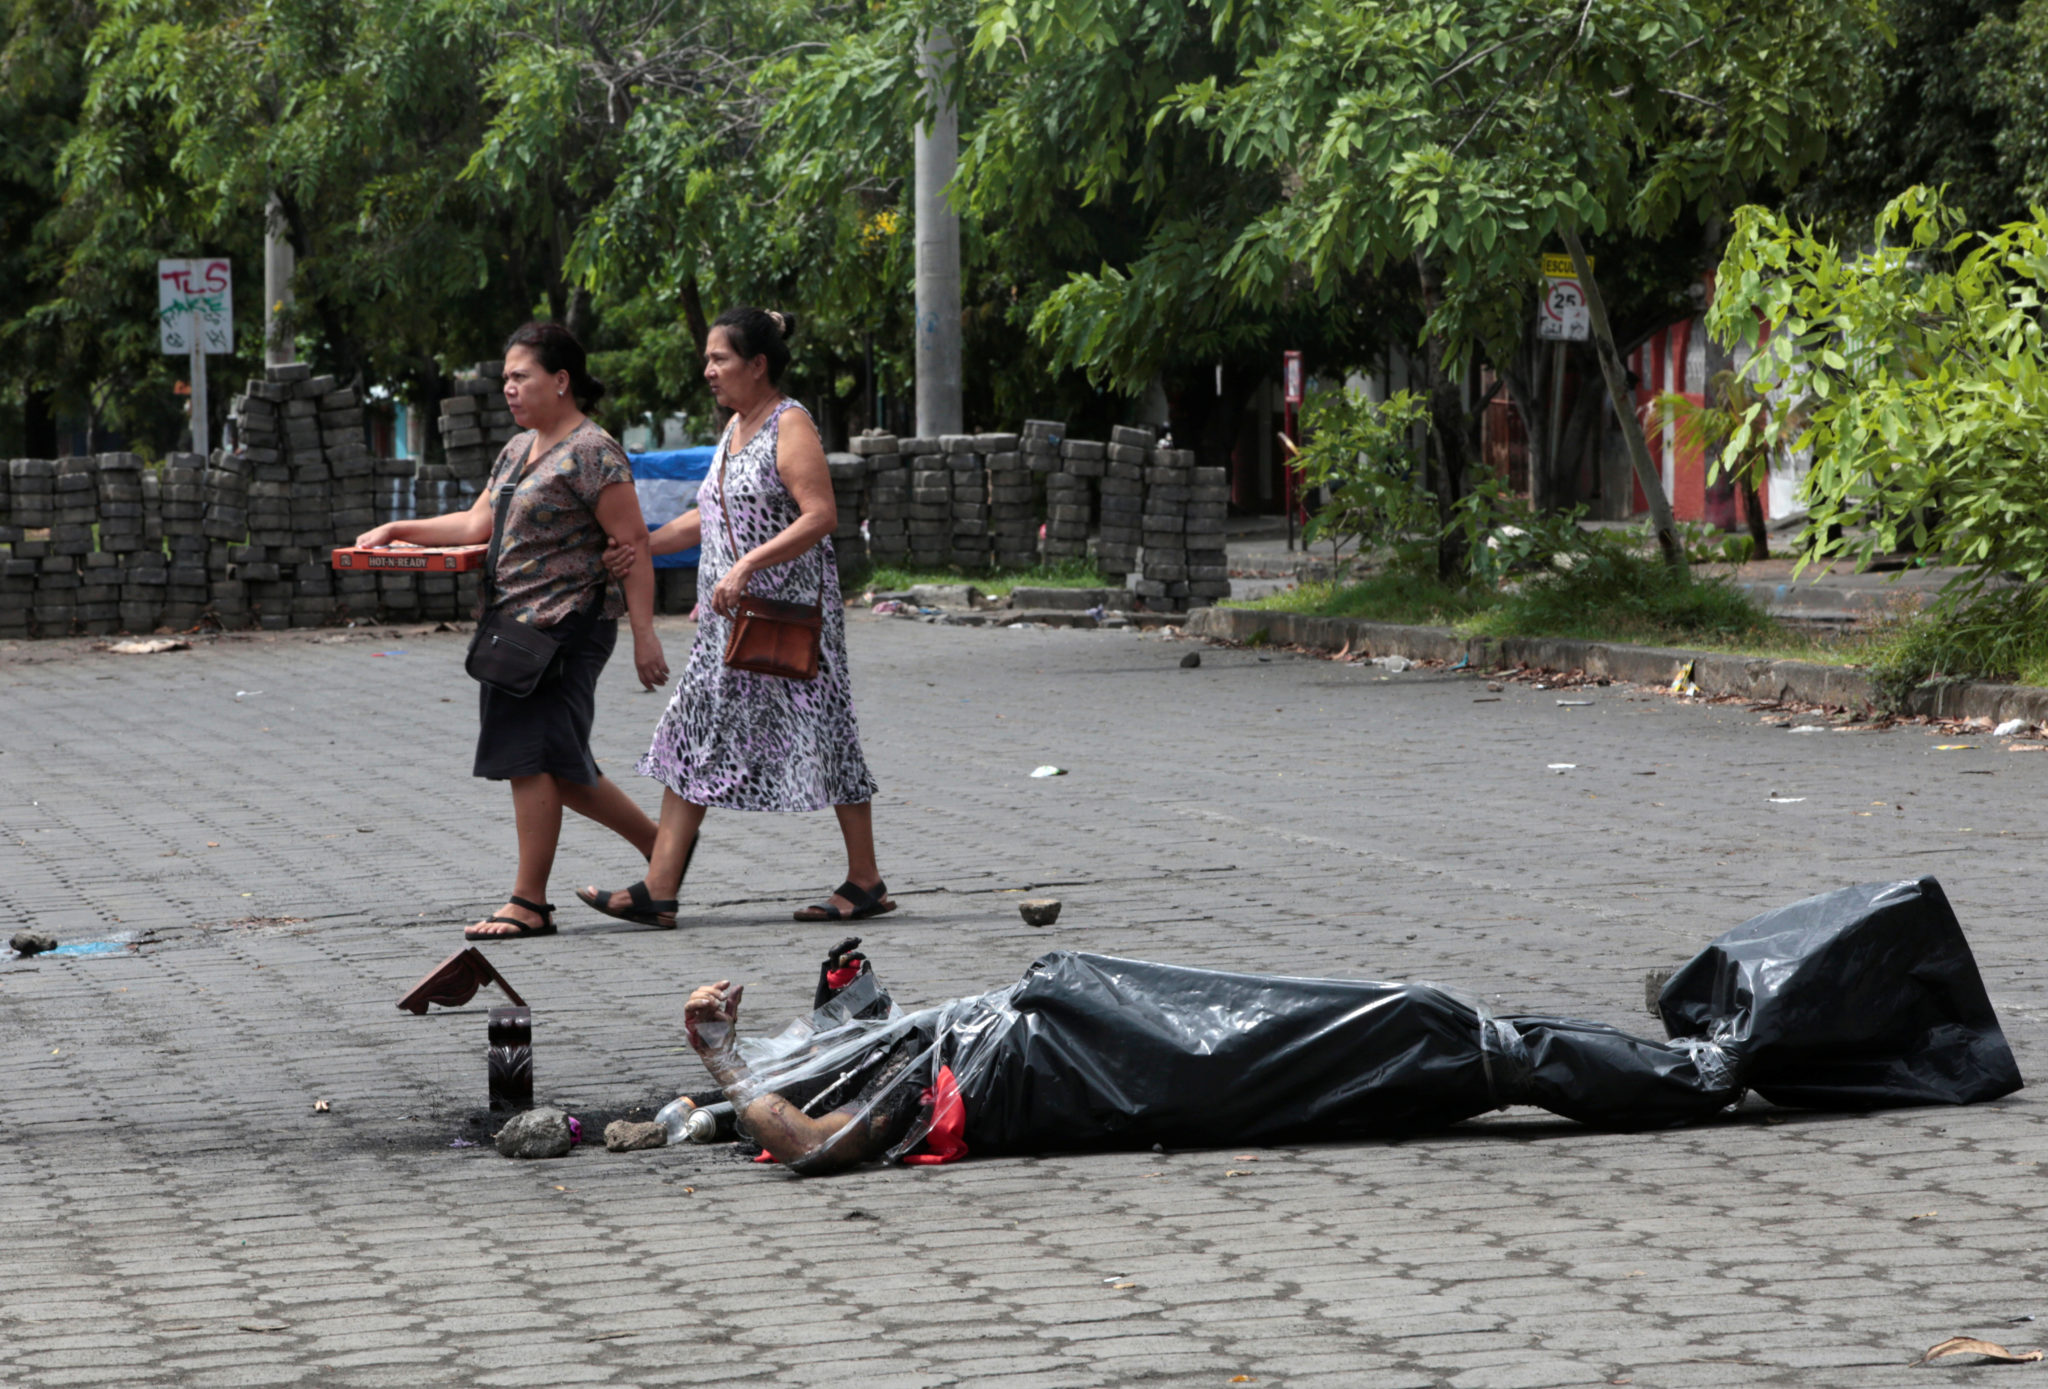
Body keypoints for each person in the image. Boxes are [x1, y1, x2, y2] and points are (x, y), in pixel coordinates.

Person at [672, 876, 2022, 1176]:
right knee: (1461, 1044)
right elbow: (809, 1145)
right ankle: (1731, 1063)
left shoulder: (912, 1060)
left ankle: (1726, 1059)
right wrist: (727, 1068)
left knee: (1465, 1044)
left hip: (1187, 1043)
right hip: (1194, 1056)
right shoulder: (910, 1099)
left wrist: (772, 1043)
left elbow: (815, 1078)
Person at [355, 321, 668, 940]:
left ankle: (529, 902)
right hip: (514, 627)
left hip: (564, 628)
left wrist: (644, 634)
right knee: (562, 766)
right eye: (506, 378)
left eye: (521, 376)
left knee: (533, 761)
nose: (509, 388)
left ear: (561, 380)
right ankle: (666, 856)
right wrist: (398, 530)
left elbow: (632, 543)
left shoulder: (593, 451)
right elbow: (477, 523)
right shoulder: (519, 448)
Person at [580, 306, 886, 930]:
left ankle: (865, 880)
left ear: (758, 365)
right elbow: (712, 515)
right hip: (728, 624)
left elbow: (820, 515)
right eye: (708, 359)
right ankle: (660, 887)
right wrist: (643, 545)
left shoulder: (788, 422)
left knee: (826, 736)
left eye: (720, 359)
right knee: (690, 733)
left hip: (787, 620)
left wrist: (746, 565)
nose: (709, 371)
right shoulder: (736, 427)